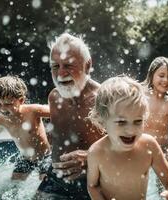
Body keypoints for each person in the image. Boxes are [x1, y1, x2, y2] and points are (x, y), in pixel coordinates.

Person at [87, 76, 168, 200]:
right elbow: (92, 186)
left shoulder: (149, 145)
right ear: (102, 121)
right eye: (121, 122)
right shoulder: (97, 153)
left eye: (138, 121)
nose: (131, 130)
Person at [36, 33, 103, 199]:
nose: (60, 74)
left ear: (87, 66)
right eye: (55, 66)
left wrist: (90, 158)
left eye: (68, 65)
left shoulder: (105, 100)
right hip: (55, 179)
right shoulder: (54, 97)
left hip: (94, 183)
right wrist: (46, 166)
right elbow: (57, 136)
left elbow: (133, 148)